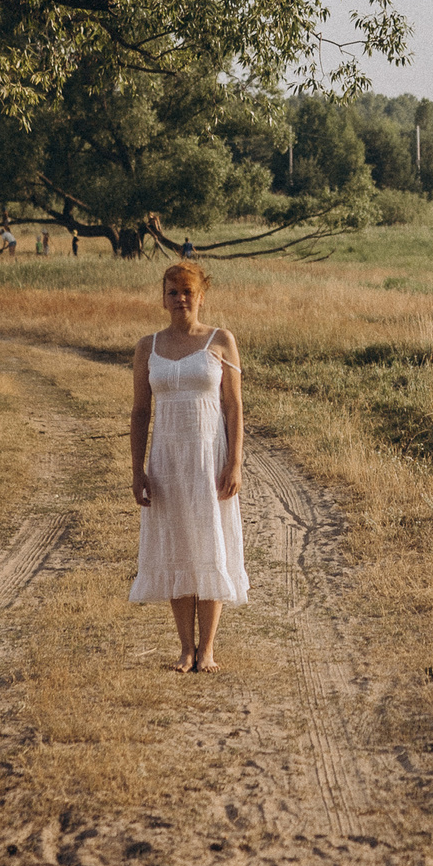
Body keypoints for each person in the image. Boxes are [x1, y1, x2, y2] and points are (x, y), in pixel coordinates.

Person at [128, 261, 247, 671]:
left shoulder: (221, 340)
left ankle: (208, 649)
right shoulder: (148, 346)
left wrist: (234, 461)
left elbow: (233, 407)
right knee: (177, 545)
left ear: (201, 296)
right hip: (167, 461)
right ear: (163, 297)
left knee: (209, 542)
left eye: (188, 292)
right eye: (173, 292)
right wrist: (137, 469)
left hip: (208, 459)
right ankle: (185, 648)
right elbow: (141, 411)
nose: (181, 299)